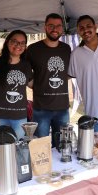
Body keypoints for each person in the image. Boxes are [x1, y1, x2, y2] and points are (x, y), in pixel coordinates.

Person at [0, 30, 33, 159]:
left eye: (22, 43)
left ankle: (16, 178)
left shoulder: (26, 66)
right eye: (14, 41)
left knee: (20, 154)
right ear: (7, 42)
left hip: (19, 118)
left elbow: (33, 85)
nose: (18, 45)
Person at [26, 13, 71, 146]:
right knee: (41, 148)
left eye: (58, 26)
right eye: (51, 26)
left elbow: (70, 72)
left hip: (62, 109)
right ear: (45, 27)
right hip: (41, 109)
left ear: (62, 28)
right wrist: (36, 84)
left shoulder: (66, 49)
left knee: (63, 146)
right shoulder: (33, 49)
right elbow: (24, 71)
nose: (54, 29)